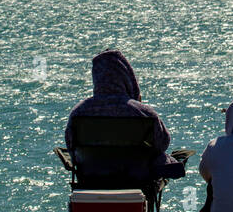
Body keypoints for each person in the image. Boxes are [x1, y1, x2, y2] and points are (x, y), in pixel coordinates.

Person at [65, 49, 179, 177]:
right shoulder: (144, 113)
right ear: (127, 76)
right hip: (137, 179)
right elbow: (162, 143)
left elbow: (71, 148)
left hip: (92, 178)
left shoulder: (78, 113)